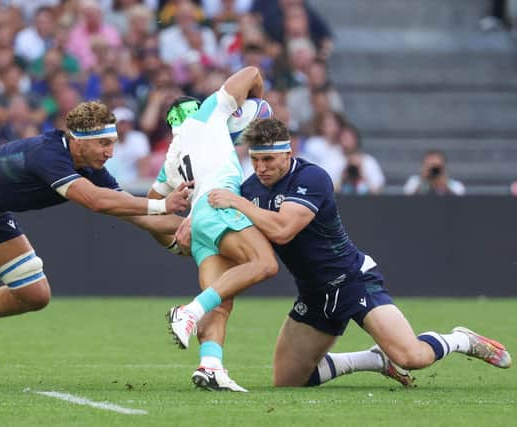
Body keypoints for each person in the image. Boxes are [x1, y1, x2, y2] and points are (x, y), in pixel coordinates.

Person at [0, 100, 191, 392]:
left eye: (112, 143)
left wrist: (195, 230)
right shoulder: (49, 153)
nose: (111, 152)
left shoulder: (93, 170)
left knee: (35, 295)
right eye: (104, 143)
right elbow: (97, 202)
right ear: (79, 141)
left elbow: (139, 215)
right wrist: (163, 204)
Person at [198, 118, 511, 388]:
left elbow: (282, 230)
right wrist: (190, 225)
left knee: (412, 357)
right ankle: (373, 359)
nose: (261, 168)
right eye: (255, 160)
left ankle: (461, 340)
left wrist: (237, 203)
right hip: (315, 294)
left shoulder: (311, 178)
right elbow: (231, 229)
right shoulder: (251, 188)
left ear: (288, 153)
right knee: (288, 381)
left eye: (269, 160)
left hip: (352, 281)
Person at [153, 66, 279, 392]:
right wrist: (256, 107)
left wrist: (171, 241)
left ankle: (210, 366)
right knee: (264, 263)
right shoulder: (209, 113)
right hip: (219, 206)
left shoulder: (171, 160)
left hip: (199, 230)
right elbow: (252, 72)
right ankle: (187, 311)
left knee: (220, 303)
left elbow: (151, 210)